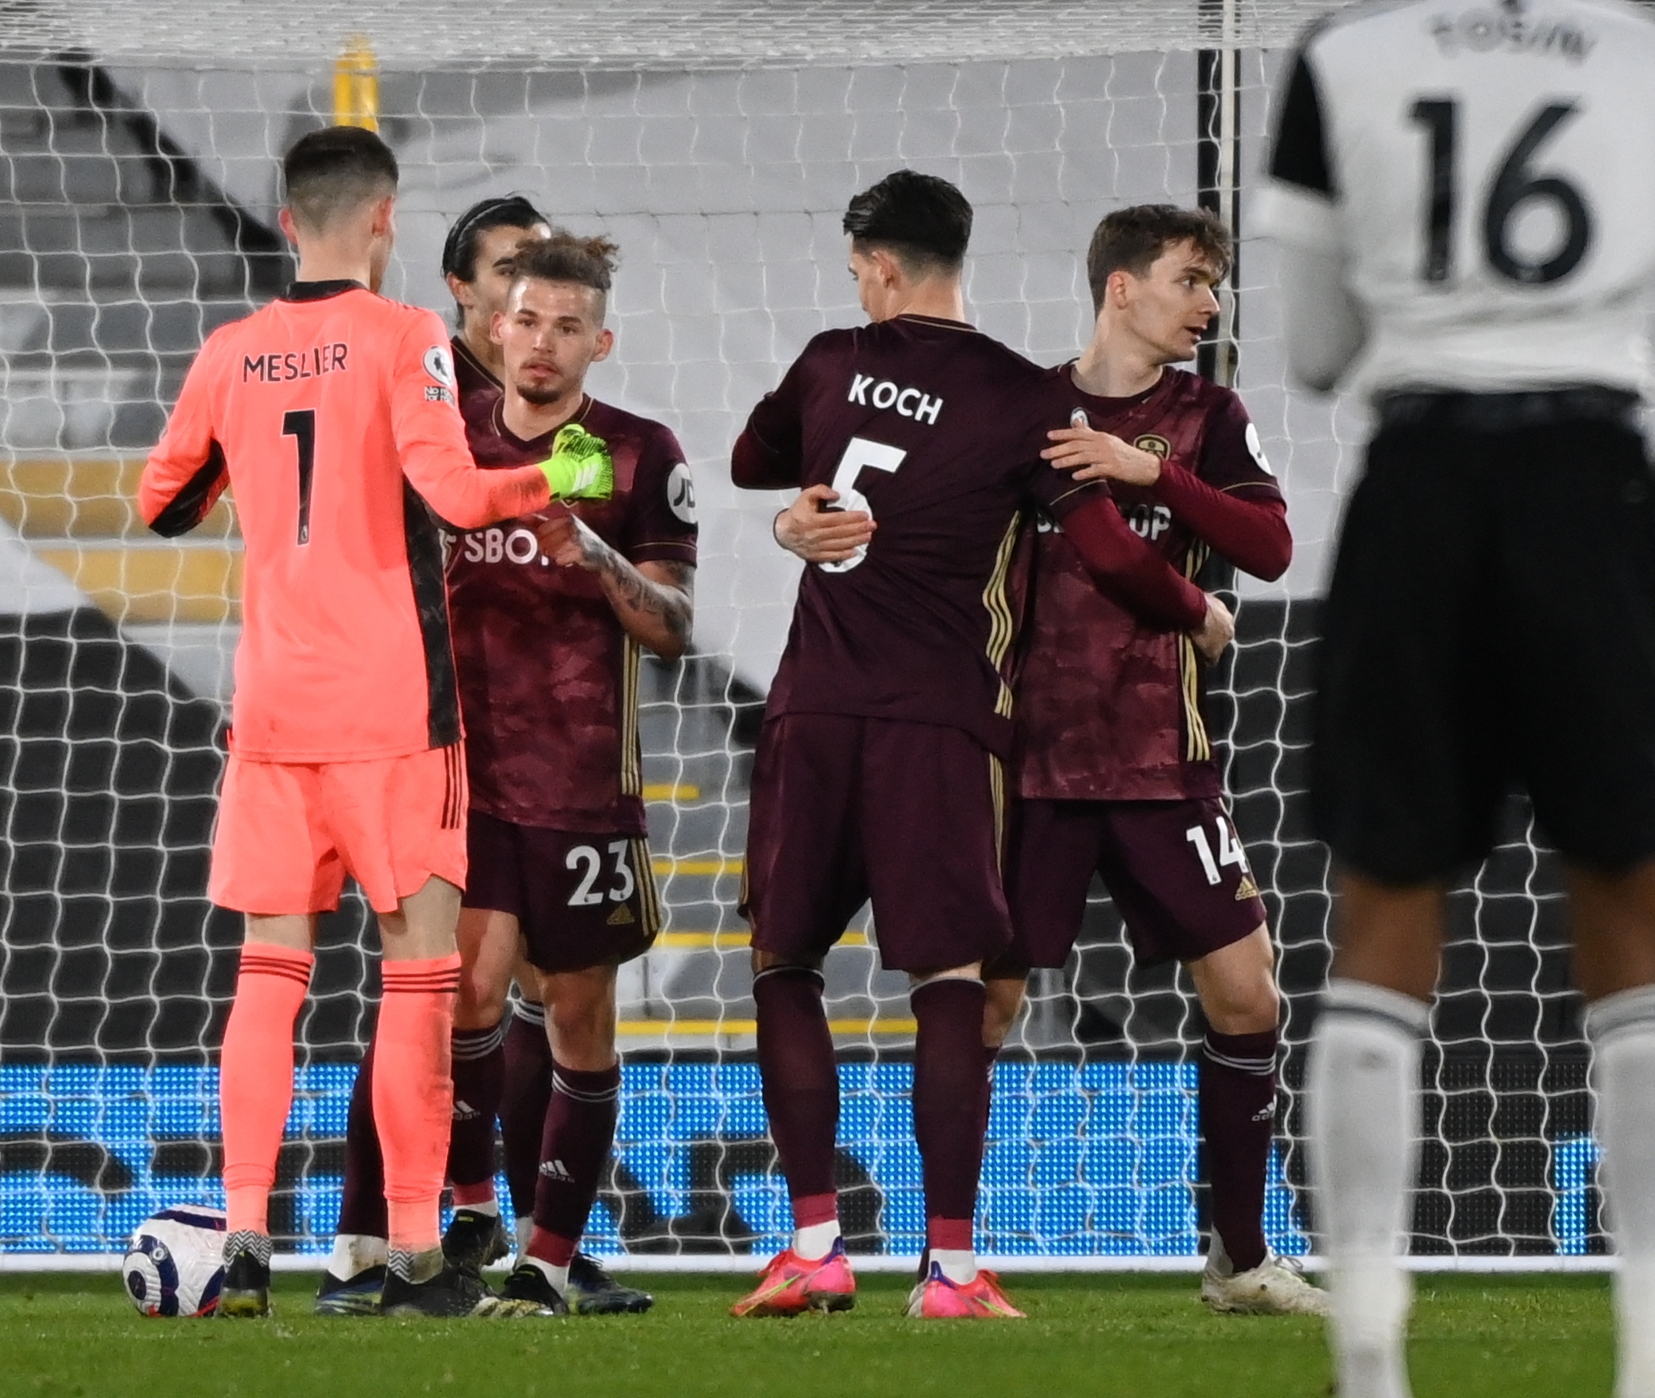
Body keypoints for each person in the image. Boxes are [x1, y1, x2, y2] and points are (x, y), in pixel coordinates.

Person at [1253, 0, 1655, 1398]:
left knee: (1381, 916)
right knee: (1633, 920)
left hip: (1420, 488)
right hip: (1587, 484)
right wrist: (1638, 504)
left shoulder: (1345, 58)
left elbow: (1324, 350)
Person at [731, 170, 1224, 1319]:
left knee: (784, 965)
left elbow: (765, 465)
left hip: (814, 711)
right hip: (943, 727)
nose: (856, 287)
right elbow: (1106, 555)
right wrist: (1195, 609)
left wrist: (795, 514)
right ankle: (948, 1269)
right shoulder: (1022, 401)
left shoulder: (826, 363)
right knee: (950, 981)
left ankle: (812, 1246)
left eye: (859, 270)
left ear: (885, 265)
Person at [137, 126, 611, 1318]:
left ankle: (243, 1237)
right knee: (415, 978)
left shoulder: (232, 350)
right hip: (396, 716)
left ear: (289, 221)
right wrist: (563, 474)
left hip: (273, 715)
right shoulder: (406, 339)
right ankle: (409, 1249)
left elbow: (161, 502)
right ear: (387, 220)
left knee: (267, 975)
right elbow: (455, 494)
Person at [316, 236, 696, 1317]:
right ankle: (472, 1202)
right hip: (459, 777)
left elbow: (672, 625)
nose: (542, 342)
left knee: (578, 1017)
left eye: (568, 326)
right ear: (494, 323)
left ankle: (548, 1258)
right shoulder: (445, 441)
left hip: (583, 788)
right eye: (527, 320)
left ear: (599, 340)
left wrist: (601, 559)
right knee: (463, 995)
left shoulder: (633, 452)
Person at [986, 203, 1324, 1316]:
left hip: (1160, 764)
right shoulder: (1024, 411)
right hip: (1026, 767)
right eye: (1191, 279)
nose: (1210, 302)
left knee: (1246, 991)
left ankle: (1237, 1259)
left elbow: (1269, 550)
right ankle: (943, 1255)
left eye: (1215, 284)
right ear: (1120, 287)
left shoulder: (1206, 416)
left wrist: (1151, 473)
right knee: (982, 1008)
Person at [318, 192, 567, 1306]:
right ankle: (368, 1238)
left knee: (518, 987)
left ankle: (501, 1229)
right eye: (507, 269)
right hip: (422, 718)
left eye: (541, 268)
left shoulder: (559, 411)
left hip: (538, 732)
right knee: (427, 984)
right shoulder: (409, 383)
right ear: (459, 288)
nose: (529, 290)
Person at [438, 192, 553, 392]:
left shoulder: (560, 389)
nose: (533, 286)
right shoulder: (433, 387)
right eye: (510, 272)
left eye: (543, 268)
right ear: (461, 289)